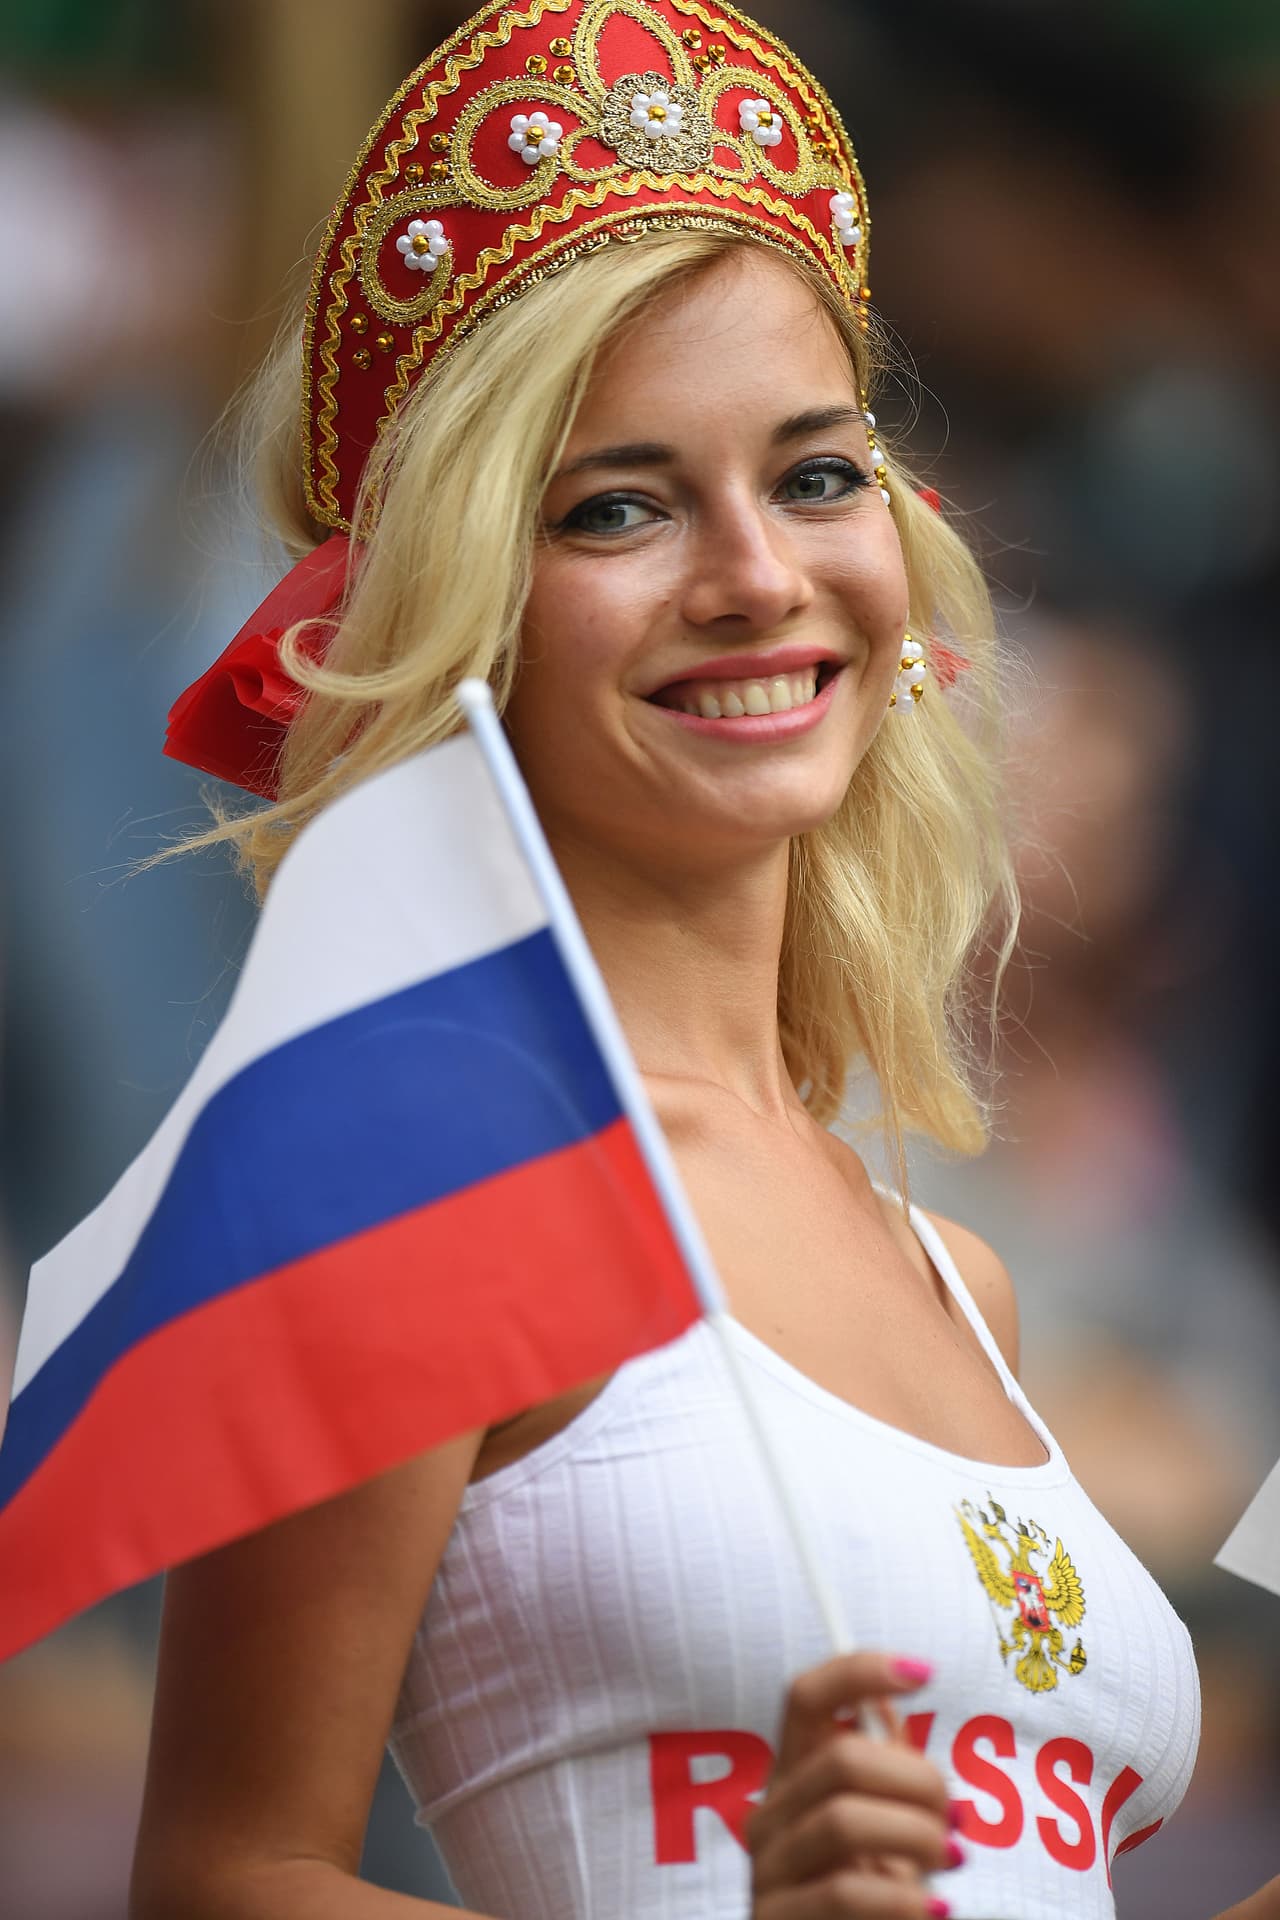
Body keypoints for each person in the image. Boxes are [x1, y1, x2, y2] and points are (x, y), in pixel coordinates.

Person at [128, 2, 1272, 1916]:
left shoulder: (955, 1267)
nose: (757, 573)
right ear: (472, 614)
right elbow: (220, 1879)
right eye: (622, 507)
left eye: (818, 475)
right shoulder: (407, 1181)